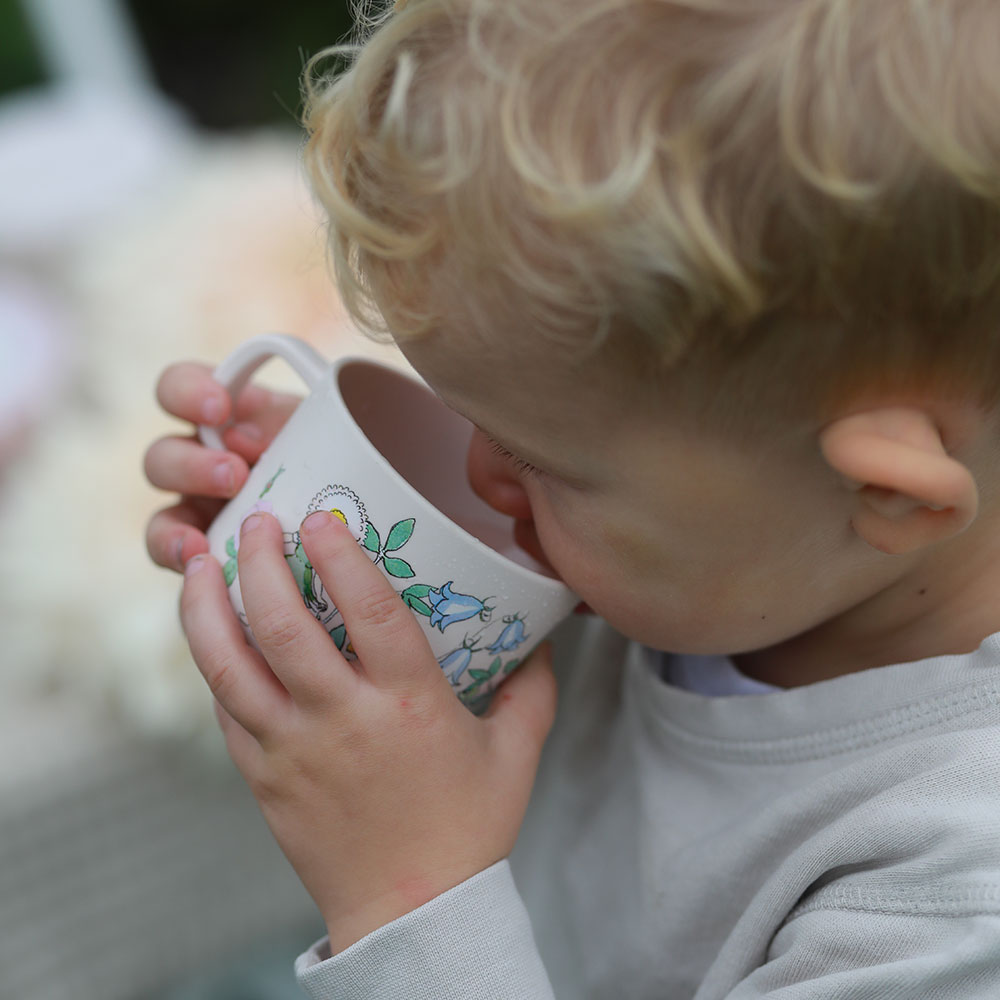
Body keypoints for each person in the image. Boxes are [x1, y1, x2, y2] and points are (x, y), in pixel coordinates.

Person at [143, 1, 1000, 996]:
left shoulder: (945, 898)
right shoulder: (754, 544)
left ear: (885, 494)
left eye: (541, 460)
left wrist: (409, 901)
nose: (477, 478)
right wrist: (352, 536)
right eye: (472, 417)